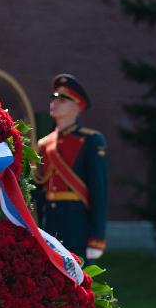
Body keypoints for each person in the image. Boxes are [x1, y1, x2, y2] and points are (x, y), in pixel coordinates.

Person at [34, 74, 108, 262]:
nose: (54, 102)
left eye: (62, 100)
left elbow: (98, 191)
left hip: (77, 225)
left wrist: (97, 237)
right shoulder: (44, 144)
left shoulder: (91, 140)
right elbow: (39, 189)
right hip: (49, 224)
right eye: (53, 98)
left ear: (76, 107)